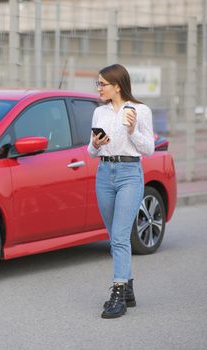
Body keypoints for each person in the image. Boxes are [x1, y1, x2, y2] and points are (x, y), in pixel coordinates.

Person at [87, 64, 154, 319]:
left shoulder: (140, 110)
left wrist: (132, 130)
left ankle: (118, 293)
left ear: (117, 85)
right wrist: (94, 144)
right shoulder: (99, 113)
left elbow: (148, 149)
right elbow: (90, 152)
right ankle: (128, 288)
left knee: (119, 235)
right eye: (98, 84)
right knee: (115, 236)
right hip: (104, 174)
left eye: (102, 84)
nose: (99, 88)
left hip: (129, 174)